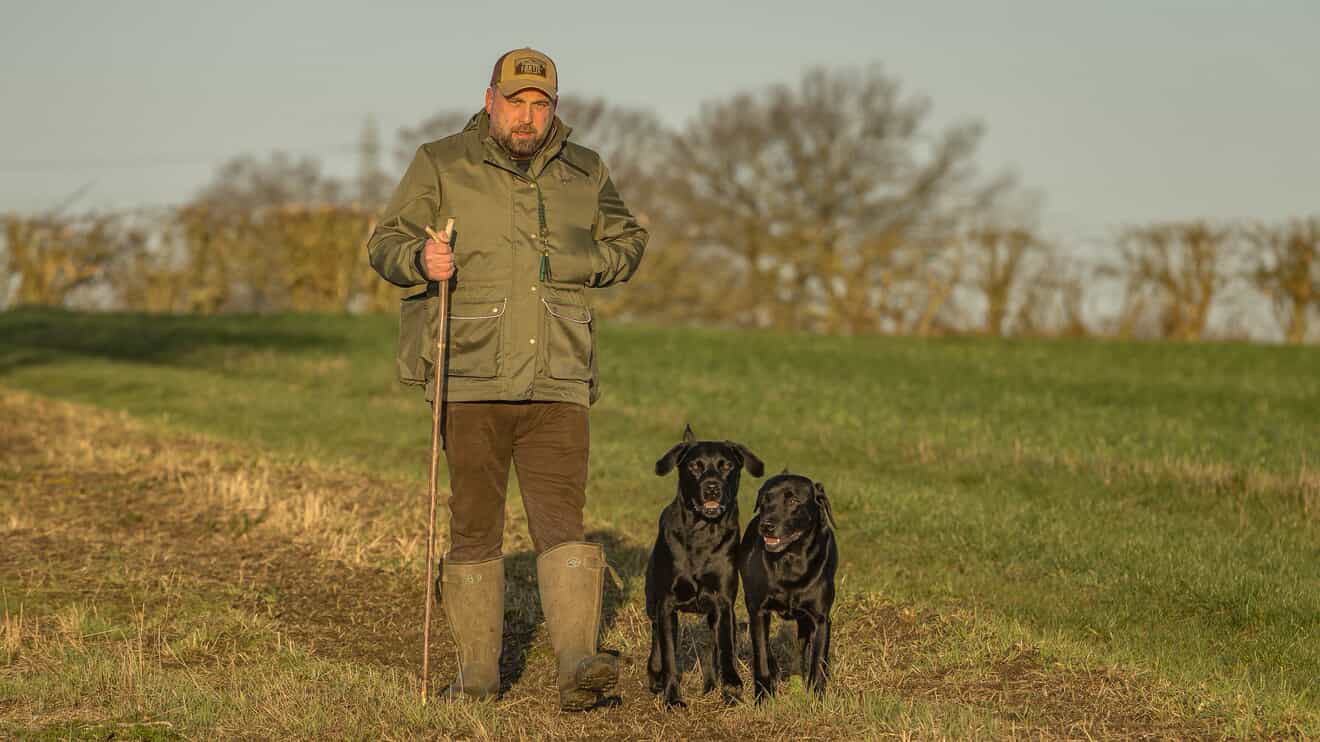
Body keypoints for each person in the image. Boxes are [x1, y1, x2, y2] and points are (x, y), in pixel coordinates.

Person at [367, 47, 647, 711]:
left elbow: (628, 238)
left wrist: (586, 261)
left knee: (563, 523)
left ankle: (579, 665)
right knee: (474, 526)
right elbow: (385, 244)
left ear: (555, 109)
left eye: (540, 105)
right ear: (490, 100)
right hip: (469, 374)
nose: (527, 117)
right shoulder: (441, 162)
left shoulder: (586, 169)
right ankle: (476, 678)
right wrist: (420, 257)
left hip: (558, 375)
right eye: (515, 102)